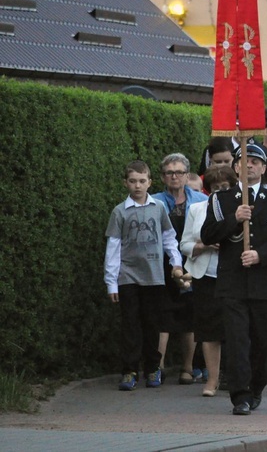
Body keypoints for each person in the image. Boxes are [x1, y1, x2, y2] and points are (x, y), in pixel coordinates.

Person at [201, 143, 267, 415]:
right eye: (243, 161)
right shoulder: (221, 200)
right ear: (235, 167)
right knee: (237, 340)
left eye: (255, 161)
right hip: (233, 283)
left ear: (264, 168)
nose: (249, 166)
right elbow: (207, 235)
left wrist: (260, 256)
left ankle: (256, 388)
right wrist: (234, 218)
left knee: (265, 342)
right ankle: (239, 395)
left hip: (264, 282)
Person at [104, 160, 183, 391]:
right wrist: (111, 283)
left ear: (149, 182)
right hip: (128, 276)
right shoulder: (120, 211)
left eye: (141, 181)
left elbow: (169, 238)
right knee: (130, 325)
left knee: (152, 324)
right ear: (125, 183)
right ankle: (129, 370)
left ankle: (152, 368)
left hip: (154, 276)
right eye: (132, 181)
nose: (137, 186)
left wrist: (175, 262)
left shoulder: (158, 208)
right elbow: (113, 248)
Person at [180, 165, 237, 396]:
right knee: (209, 330)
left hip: (233, 276)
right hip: (205, 276)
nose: (220, 192)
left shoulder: (242, 210)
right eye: (215, 188)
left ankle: (233, 377)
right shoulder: (197, 209)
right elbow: (184, 244)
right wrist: (204, 246)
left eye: (225, 187)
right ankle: (211, 380)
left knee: (234, 329)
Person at [152, 153, 208, 385]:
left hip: (193, 262)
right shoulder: (153, 201)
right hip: (160, 264)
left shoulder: (200, 200)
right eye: (169, 172)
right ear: (163, 177)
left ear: (187, 175)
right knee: (161, 315)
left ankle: (187, 368)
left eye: (179, 172)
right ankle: (158, 366)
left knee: (190, 316)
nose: (174, 176)